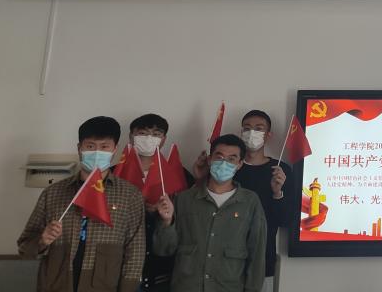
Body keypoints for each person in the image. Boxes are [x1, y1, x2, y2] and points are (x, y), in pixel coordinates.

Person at [18, 116, 145, 292]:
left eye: (104, 147)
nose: (97, 152)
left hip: (104, 286)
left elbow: (135, 252)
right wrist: (42, 240)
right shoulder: (53, 193)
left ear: (115, 149)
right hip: (56, 285)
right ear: (80, 148)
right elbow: (24, 247)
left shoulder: (130, 195)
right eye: (90, 146)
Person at [193, 110, 294, 292]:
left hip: (262, 261)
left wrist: (277, 192)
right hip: (220, 263)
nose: (252, 133)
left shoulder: (280, 171)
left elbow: (286, 220)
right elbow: (202, 210)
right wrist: (200, 179)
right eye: (247, 128)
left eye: (258, 128)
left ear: (268, 135)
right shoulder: (226, 168)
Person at [155, 133, 266, 292]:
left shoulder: (250, 201)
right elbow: (163, 250)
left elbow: (257, 254)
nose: (224, 163)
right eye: (219, 157)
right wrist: (167, 222)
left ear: (240, 164)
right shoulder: (184, 199)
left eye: (231, 159)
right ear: (209, 159)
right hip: (187, 287)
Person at [124, 113, 195, 291]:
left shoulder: (179, 174)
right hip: (123, 261)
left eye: (156, 134)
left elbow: (189, 214)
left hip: (162, 264)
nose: (149, 139)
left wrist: (166, 214)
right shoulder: (115, 172)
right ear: (131, 136)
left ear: (163, 140)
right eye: (142, 133)